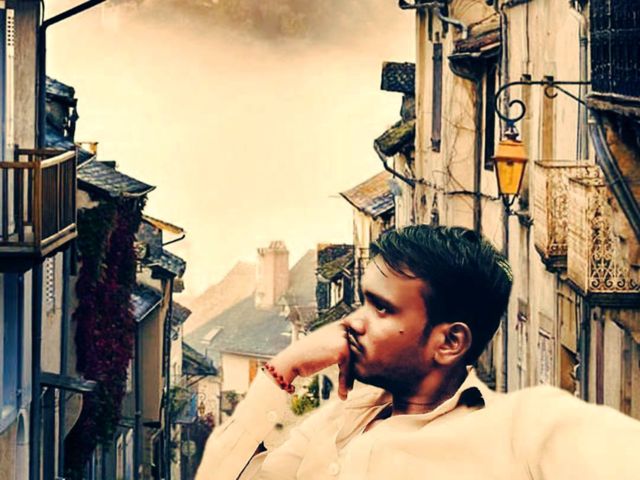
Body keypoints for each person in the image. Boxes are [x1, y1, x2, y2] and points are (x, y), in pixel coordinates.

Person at [196, 225, 640, 480]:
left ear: (449, 343)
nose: (352, 322)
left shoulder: (521, 428)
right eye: (363, 302)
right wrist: (286, 367)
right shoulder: (341, 418)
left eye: (382, 308)